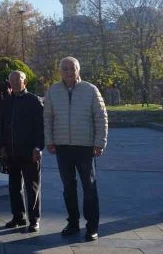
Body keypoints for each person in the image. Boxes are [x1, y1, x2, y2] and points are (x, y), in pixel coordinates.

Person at [44, 57, 108, 242]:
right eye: (65, 68)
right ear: (60, 71)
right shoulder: (53, 91)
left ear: (78, 70)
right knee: (68, 188)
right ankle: (72, 223)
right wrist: (49, 140)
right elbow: (47, 117)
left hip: (85, 147)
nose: (69, 72)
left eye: (72, 68)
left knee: (89, 188)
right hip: (63, 147)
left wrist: (100, 142)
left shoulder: (90, 90)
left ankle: (92, 227)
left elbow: (101, 118)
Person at [0, 71, 44, 233]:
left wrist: (38, 147)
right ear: (9, 83)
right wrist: (2, 147)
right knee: (14, 186)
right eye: (12, 80)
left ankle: (34, 219)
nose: (16, 83)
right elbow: (3, 127)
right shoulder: (7, 101)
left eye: (19, 80)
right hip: (11, 151)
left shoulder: (34, 100)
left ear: (25, 81)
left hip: (29, 151)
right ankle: (18, 216)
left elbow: (40, 127)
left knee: (32, 187)